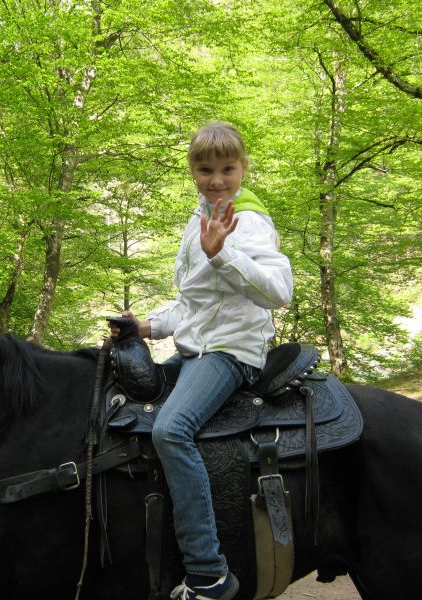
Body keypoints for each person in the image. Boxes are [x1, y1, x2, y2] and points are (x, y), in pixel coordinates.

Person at [110, 122, 293, 600]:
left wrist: (223, 254)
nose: (216, 180)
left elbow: (280, 292)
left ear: (243, 168)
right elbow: (193, 304)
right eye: (206, 170)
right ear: (192, 170)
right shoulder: (200, 219)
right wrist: (145, 326)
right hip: (195, 350)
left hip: (232, 353)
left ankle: (209, 574)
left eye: (227, 169)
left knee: (171, 430)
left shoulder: (248, 220)